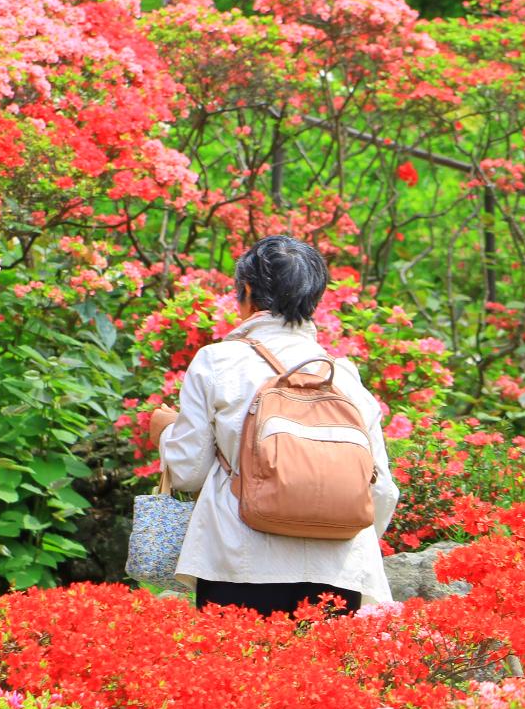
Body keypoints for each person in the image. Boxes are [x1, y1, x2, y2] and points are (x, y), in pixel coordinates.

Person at [154, 235, 398, 614]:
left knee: (239, 671)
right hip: (338, 575)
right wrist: (336, 530)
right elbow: (382, 491)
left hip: (237, 564)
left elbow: (188, 472)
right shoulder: (346, 377)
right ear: (314, 300)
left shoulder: (218, 362)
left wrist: (166, 432)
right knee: (322, 674)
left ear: (247, 291)